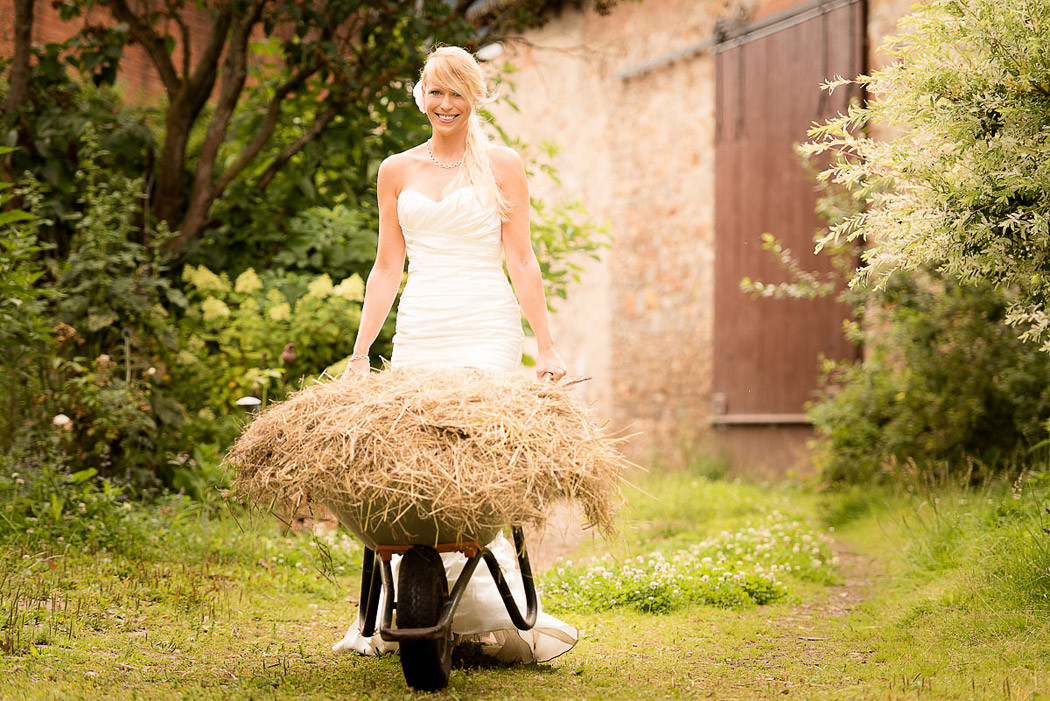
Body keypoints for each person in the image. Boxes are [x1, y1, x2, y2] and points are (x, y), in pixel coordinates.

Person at [332, 46, 577, 663]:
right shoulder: (396, 170)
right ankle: (406, 601)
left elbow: (521, 258)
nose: (445, 105)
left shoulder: (502, 164)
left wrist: (544, 345)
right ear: (420, 94)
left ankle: (484, 608)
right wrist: (361, 350)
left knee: (473, 452)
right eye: (435, 92)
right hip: (422, 322)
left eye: (457, 93)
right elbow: (388, 266)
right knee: (417, 454)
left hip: (486, 321)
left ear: (475, 98)